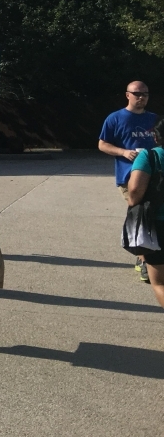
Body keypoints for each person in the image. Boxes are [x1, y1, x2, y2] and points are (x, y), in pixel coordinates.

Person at [99, 81, 157, 283]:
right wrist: (123, 152)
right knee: (140, 215)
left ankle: (154, 257)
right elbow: (102, 144)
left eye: (145, 94)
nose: (141, 97)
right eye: (137, 94)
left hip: (155, 177)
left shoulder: (154, 119)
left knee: (155, 216)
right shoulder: (115, 118)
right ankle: (143, 260)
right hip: (129, 177)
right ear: (128, 95)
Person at [127, 118, 164, 309]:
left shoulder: (150, 157)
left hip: (157, 224)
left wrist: (132, 204)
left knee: (159, 282)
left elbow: (134, 191)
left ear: (156, 138)